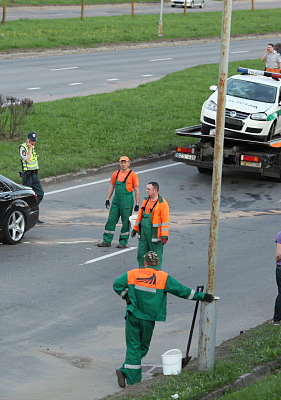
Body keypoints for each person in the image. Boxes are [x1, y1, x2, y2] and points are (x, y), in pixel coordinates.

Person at [112, 251, 214, 388]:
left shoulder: (133, 274)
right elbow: (182, 290)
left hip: (133, 316)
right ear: (157, 263)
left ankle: (125, 371)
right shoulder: (163, 277)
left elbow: (116, 285)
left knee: (133, 347)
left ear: (145, 263)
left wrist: (127, 297)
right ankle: (134, 382)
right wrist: (202, 296)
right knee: (142, 347)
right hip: (148, 319)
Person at [97, 156, 140, 248]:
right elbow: (112, 186)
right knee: (111, 220)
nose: (123, 164)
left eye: (125, 162)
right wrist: (107, 199)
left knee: (125, 222)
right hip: (116, 201)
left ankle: (123, 242)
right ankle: (106, 241)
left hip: (127, 202)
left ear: (128, 163)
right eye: (122, 162)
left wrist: (137, 203)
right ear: (119, 163)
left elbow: (136, 190)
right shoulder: (115, 174)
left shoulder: (133, 175)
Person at [131, 182, 169, 268]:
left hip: (154, 234)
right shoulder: (145, 201)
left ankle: (155, 274)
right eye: (146, 188)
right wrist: (135, 229)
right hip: (143, 233)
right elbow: (140, 217)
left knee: (155, 256)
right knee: (141, 254)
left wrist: (164, 236)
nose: (146, 191)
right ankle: (142, 272)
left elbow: (165, 221)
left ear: (155, 190)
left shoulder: (162, 204)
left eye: (148, 189)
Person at [19, 131, 45, 223]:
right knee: (27, 196)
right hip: (27, 175)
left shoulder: (32, 147)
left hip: (34, 174)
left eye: (34, 141)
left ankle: (33, 213)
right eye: (32, 141)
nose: (34, 143)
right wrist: (30, 148)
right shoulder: (23, 148)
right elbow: (27, 160)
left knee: (40, 194)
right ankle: (26, 216)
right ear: (28, 140)